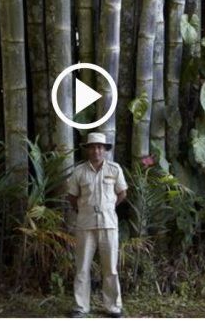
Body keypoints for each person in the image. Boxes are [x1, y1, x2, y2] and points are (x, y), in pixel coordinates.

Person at [67, 132, 127, 318]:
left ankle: (112, 307)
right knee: (82, 267)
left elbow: (122, 193)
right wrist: (86, 209)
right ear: (88, 149)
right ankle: (81, 307)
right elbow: (72, 196)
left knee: (110, 268)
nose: (96, 150)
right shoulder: (79, 171)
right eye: (93, 147)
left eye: (100, 147)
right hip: (85, 224)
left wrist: (108, 207)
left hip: (109, 224)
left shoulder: (115, 169)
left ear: (105, 150)